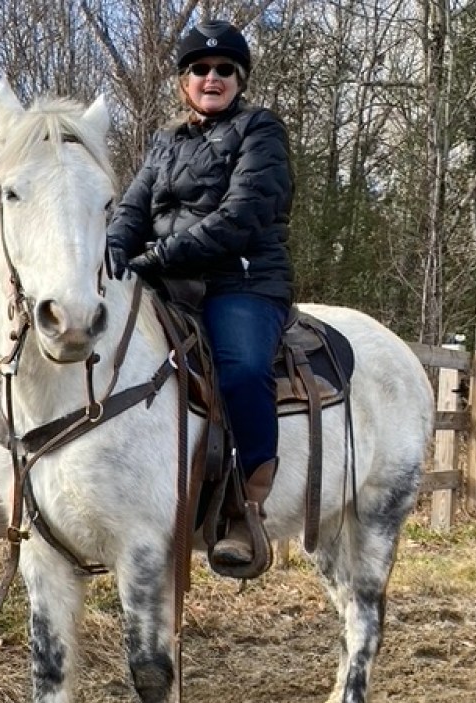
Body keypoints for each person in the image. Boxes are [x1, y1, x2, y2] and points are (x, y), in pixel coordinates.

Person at [106, 19, 294, 576]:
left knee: (239, 371)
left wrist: (155, 259)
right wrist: (114, 254)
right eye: (200, 70)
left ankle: (245, 507)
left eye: (224, 70)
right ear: (183, 81)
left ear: (239, 79)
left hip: (242, 281)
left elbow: (240, 217)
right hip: (167, 282)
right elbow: (133, 210)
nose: (212, 77)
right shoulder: (167, 141)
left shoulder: (261, 131)